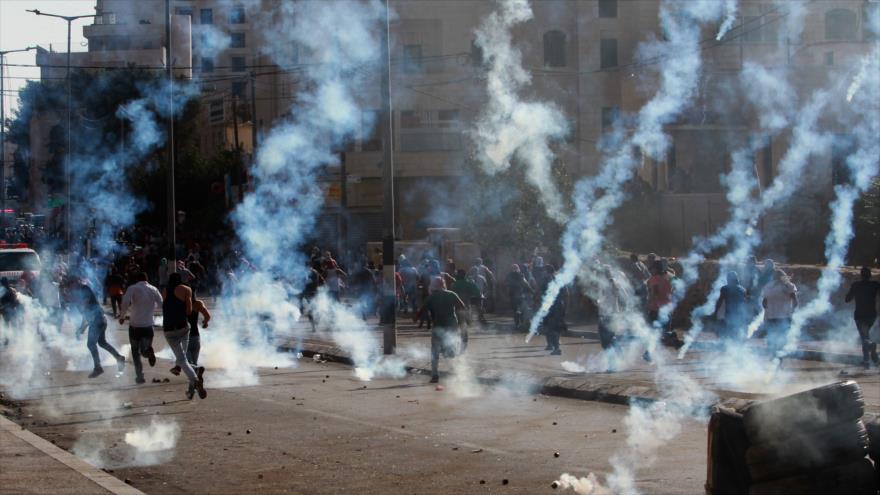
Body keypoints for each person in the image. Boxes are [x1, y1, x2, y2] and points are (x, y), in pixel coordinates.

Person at [65, 277, 125, 378]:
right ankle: (119, 358)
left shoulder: (84, 289)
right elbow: (85, 316)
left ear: (75, 284)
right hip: (98, 321)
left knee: (91, 344)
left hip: (98, 320)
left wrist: (75, 300)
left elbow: (86, 303)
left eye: (71, 287)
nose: (70, 291)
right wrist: (81, 329)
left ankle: (98, 367)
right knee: (101, 342)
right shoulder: (76, 299)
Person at [163, 273, 206, 399]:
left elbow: (164, 306)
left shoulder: (165, 290)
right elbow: (188, 311)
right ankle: (195, 372)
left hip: (169, 329)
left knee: (181, 359)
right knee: (182, 359)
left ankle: (195, 376)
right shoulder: (187, 289)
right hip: (183, 327)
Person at [415, 277, 466, 383]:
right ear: (443, 285)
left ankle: (435, 375)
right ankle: (458, 373)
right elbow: (462, 306)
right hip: (452, 326)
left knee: (435, 351)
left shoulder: (432, 297)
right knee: (452, 350)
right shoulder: (452, 294)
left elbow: (423, 309)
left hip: (438, 326)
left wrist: (416, 318)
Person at [118, 271, 163, 385]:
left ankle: (140, 376)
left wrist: (122, 316)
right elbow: (162, 304)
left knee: (135, 352)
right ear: (147, 279)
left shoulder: (132, 288)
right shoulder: (154, 289)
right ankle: (149, 353)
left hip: (135, 326)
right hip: (148, 326)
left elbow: (125, 302)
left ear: (137, 279)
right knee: (144, 351)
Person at [844, 267, 880, 369]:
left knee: (864, 338)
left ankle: (867, 359)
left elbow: (847, 299)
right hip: (872, 315)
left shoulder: (856, 285)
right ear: (870, 275)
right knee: (865, 336)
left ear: (861, 275)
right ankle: (870, 360)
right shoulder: (875, 285)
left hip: (860, 315)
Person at [762, 268, 798, 359]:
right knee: (782, 339)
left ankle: (772, 359)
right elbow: (795, 301)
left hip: (770, 317)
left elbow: (764, 304)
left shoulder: (768, 286)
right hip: (784, 317)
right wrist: (791, 311)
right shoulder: (789, 286)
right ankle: (778, 360)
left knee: (771, 338)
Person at [715, 271, 749, 341]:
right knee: (736, 331)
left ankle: (729, 346)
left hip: (730, 313)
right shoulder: (743, 289)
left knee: (728, 331)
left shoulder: (725, 289)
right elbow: (745, 303)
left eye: (728, 278)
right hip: (740, 314)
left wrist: (716, 311)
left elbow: (720, 301)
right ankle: (734, 346)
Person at [542, 265, 566, 355]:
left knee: (551, 328)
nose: (543, 273)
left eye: (544, 271)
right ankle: (552, 345)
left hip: (552, 307)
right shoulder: (559, 279)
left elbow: (540, 292)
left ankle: (556, 348)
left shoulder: (547, 280)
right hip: (559, 306)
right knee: (554, 327)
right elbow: (566, 293)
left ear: (547, 271)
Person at [506, 264, 534, 331]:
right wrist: (532, 292)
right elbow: (526, 284)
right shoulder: (520, 275)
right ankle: (521, 325)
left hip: (513, 296)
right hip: (520, 296)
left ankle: (517, 325)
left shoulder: (509, 275)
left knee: (516, 311)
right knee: (521, 311)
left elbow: (505, 284)